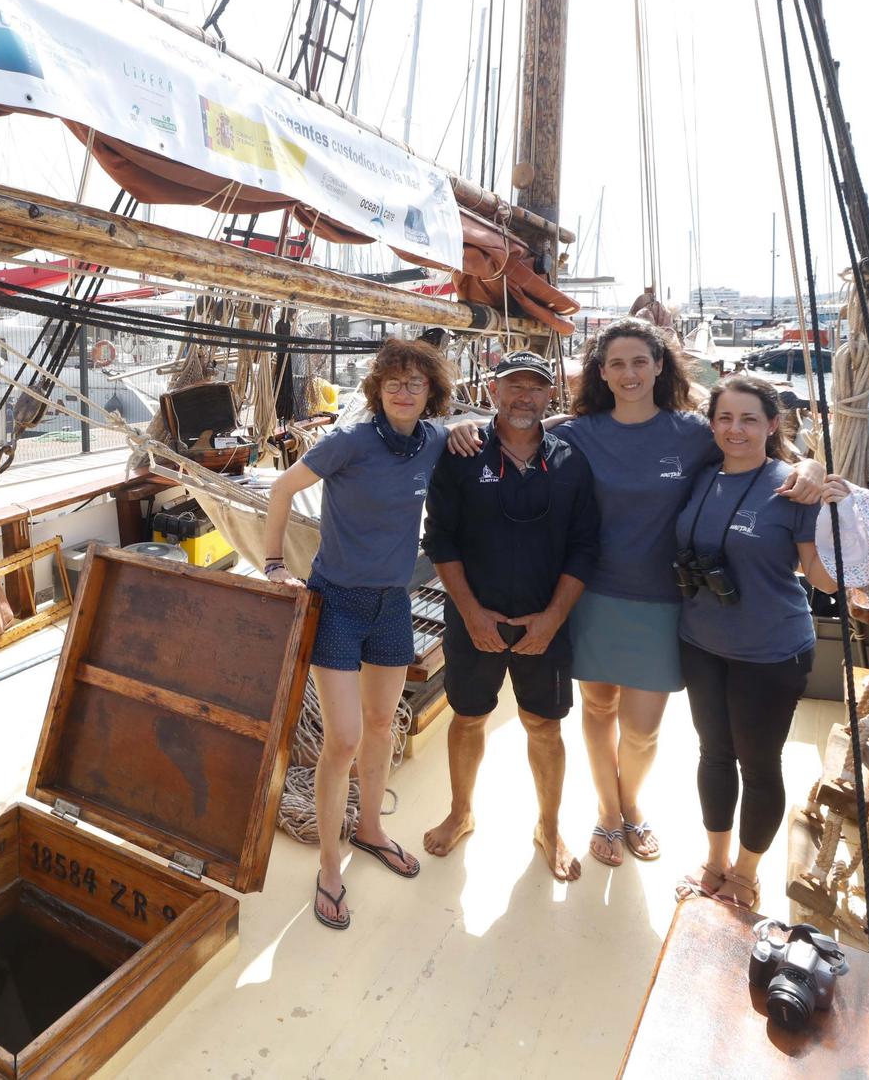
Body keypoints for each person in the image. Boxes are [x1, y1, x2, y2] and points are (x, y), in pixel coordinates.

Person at [445, 318, 823, 868]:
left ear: (659, 366)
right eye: (617, 364)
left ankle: (631, 804)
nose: (629, 374)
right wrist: (471, 425)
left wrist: (810, 466)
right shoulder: (578, 431)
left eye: (639, 362)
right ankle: (606, 813)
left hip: (665, 600)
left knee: (642, 730)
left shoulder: (694, 432)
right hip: (593, 595)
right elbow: (516, 427)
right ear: (602, 372)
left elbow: (755, 457)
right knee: (598, 708)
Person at [261, 336, 451, 931]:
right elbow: (282, 488)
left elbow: (490, 427)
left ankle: (369, 828)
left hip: (390, 604)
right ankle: (328, 863)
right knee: (341, 738)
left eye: (414, 383)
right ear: (377, 390)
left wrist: (470, 427)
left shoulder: (435, 441)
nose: (402, 390)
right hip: (337, 601)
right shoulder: (349, 441)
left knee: (378, 726)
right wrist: (273, 565)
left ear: (430, 394)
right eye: (392, 381)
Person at [419, 351, 599, 882]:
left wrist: (552, 619)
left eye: (536, 387)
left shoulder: (571, 461)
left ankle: (548, 825)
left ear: (551, 396)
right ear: (493, 391)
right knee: (468, 716)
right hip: (473, 618)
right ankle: (461, 811)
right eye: (513, 386)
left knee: (544, 724)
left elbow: (584, 548)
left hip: (547, 623)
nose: (525, 396)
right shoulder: (461, 454)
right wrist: (471, 614)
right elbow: (440, 540)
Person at [673, 373, 851, 908]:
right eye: (725, 417)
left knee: (758, 762)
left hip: (770, 652)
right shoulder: (701, 475)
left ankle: (746, 873)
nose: (736, 429)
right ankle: (716, 859)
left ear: (773, 425)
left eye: (750, 419)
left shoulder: (794, 487)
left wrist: (841, 515)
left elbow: (823, 578)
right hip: (702, 643)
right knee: (713, 754)